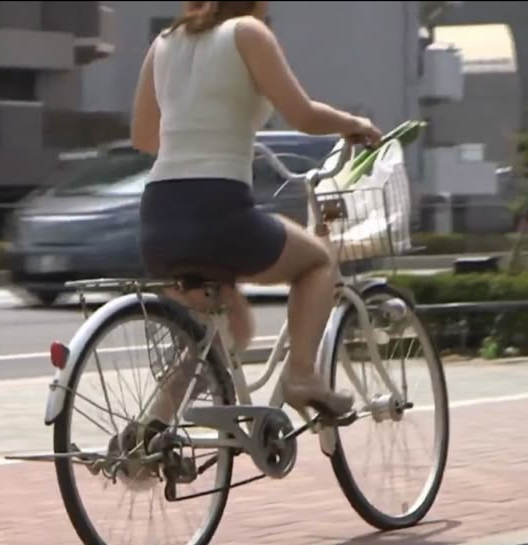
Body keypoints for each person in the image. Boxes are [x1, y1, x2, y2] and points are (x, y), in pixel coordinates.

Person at [130, 0, 381, 421]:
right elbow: (303, 115)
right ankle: (302, 375)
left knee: (212, 335)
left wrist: (197, 138)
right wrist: (352, 124)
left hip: (159, 215)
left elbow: (143, 136)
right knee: (318, 261)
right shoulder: (247, 33)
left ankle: (146, 441)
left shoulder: (163, 43)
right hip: (218, 209)